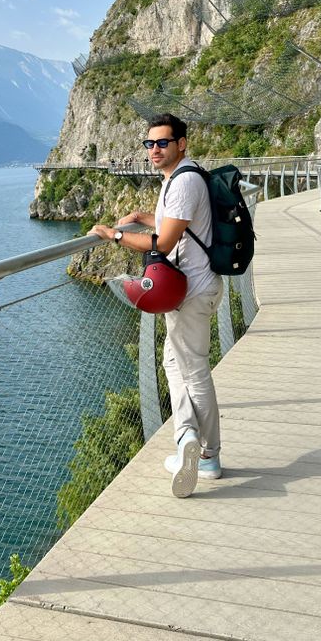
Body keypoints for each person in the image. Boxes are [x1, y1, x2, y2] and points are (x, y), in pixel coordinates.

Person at [88, 112, 223, 498]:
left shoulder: (184, 182)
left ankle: (206, 453)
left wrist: (114, 234)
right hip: (193, 289)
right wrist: (139, 216)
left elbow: (163, 243)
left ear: (181, 143)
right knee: (173, 361)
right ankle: (188, 437)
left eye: (162, 142)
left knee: (193, 369)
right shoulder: (181, 178)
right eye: (149, 144)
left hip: (191, 291)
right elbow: (175, 222)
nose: (154, 150)